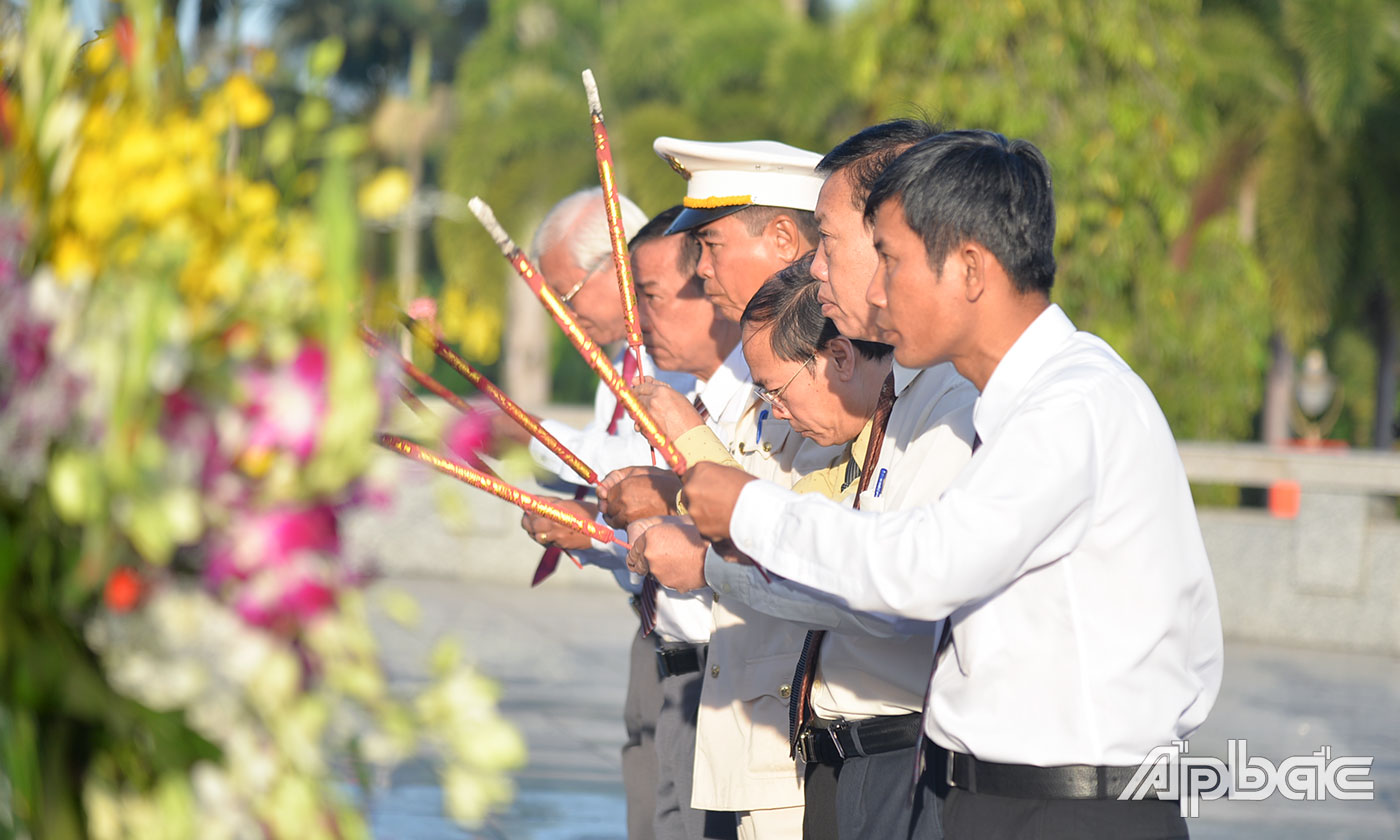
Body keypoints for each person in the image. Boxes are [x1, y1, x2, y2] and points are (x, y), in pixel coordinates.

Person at [677, 130, 1225, 840]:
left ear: (969, 269)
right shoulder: (1022, 402)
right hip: (1004, 799)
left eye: (892, 261)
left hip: (1072, 809)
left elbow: (923, 567)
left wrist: (749, 510)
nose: (874, 289)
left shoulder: (1071, 403)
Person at [704, 120, 978, 840]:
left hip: (903, 756)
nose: (818, 269)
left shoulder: (956, 398)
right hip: (837, 751)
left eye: (828, 241)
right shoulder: (902, 393)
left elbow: (891, 595)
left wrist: (727, 538)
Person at [621, 137, 837, 840]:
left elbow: (797, 536)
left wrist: (685, 454)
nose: (699, 268)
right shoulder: (759, 363)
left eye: (710, 245)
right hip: (746, 719)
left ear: (781, 237)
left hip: (802, 730)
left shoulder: (833, 360)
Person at [510, 192, 689, 840]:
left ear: (616, 266)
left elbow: (669, 478)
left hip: (704, 637)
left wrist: (547, 440)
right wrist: (583, 525)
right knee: (648, 802)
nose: (561, 315)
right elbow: (629, 502)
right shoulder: (615, 363)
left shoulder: (681, 358)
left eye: (566, 292)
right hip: (654, 625)